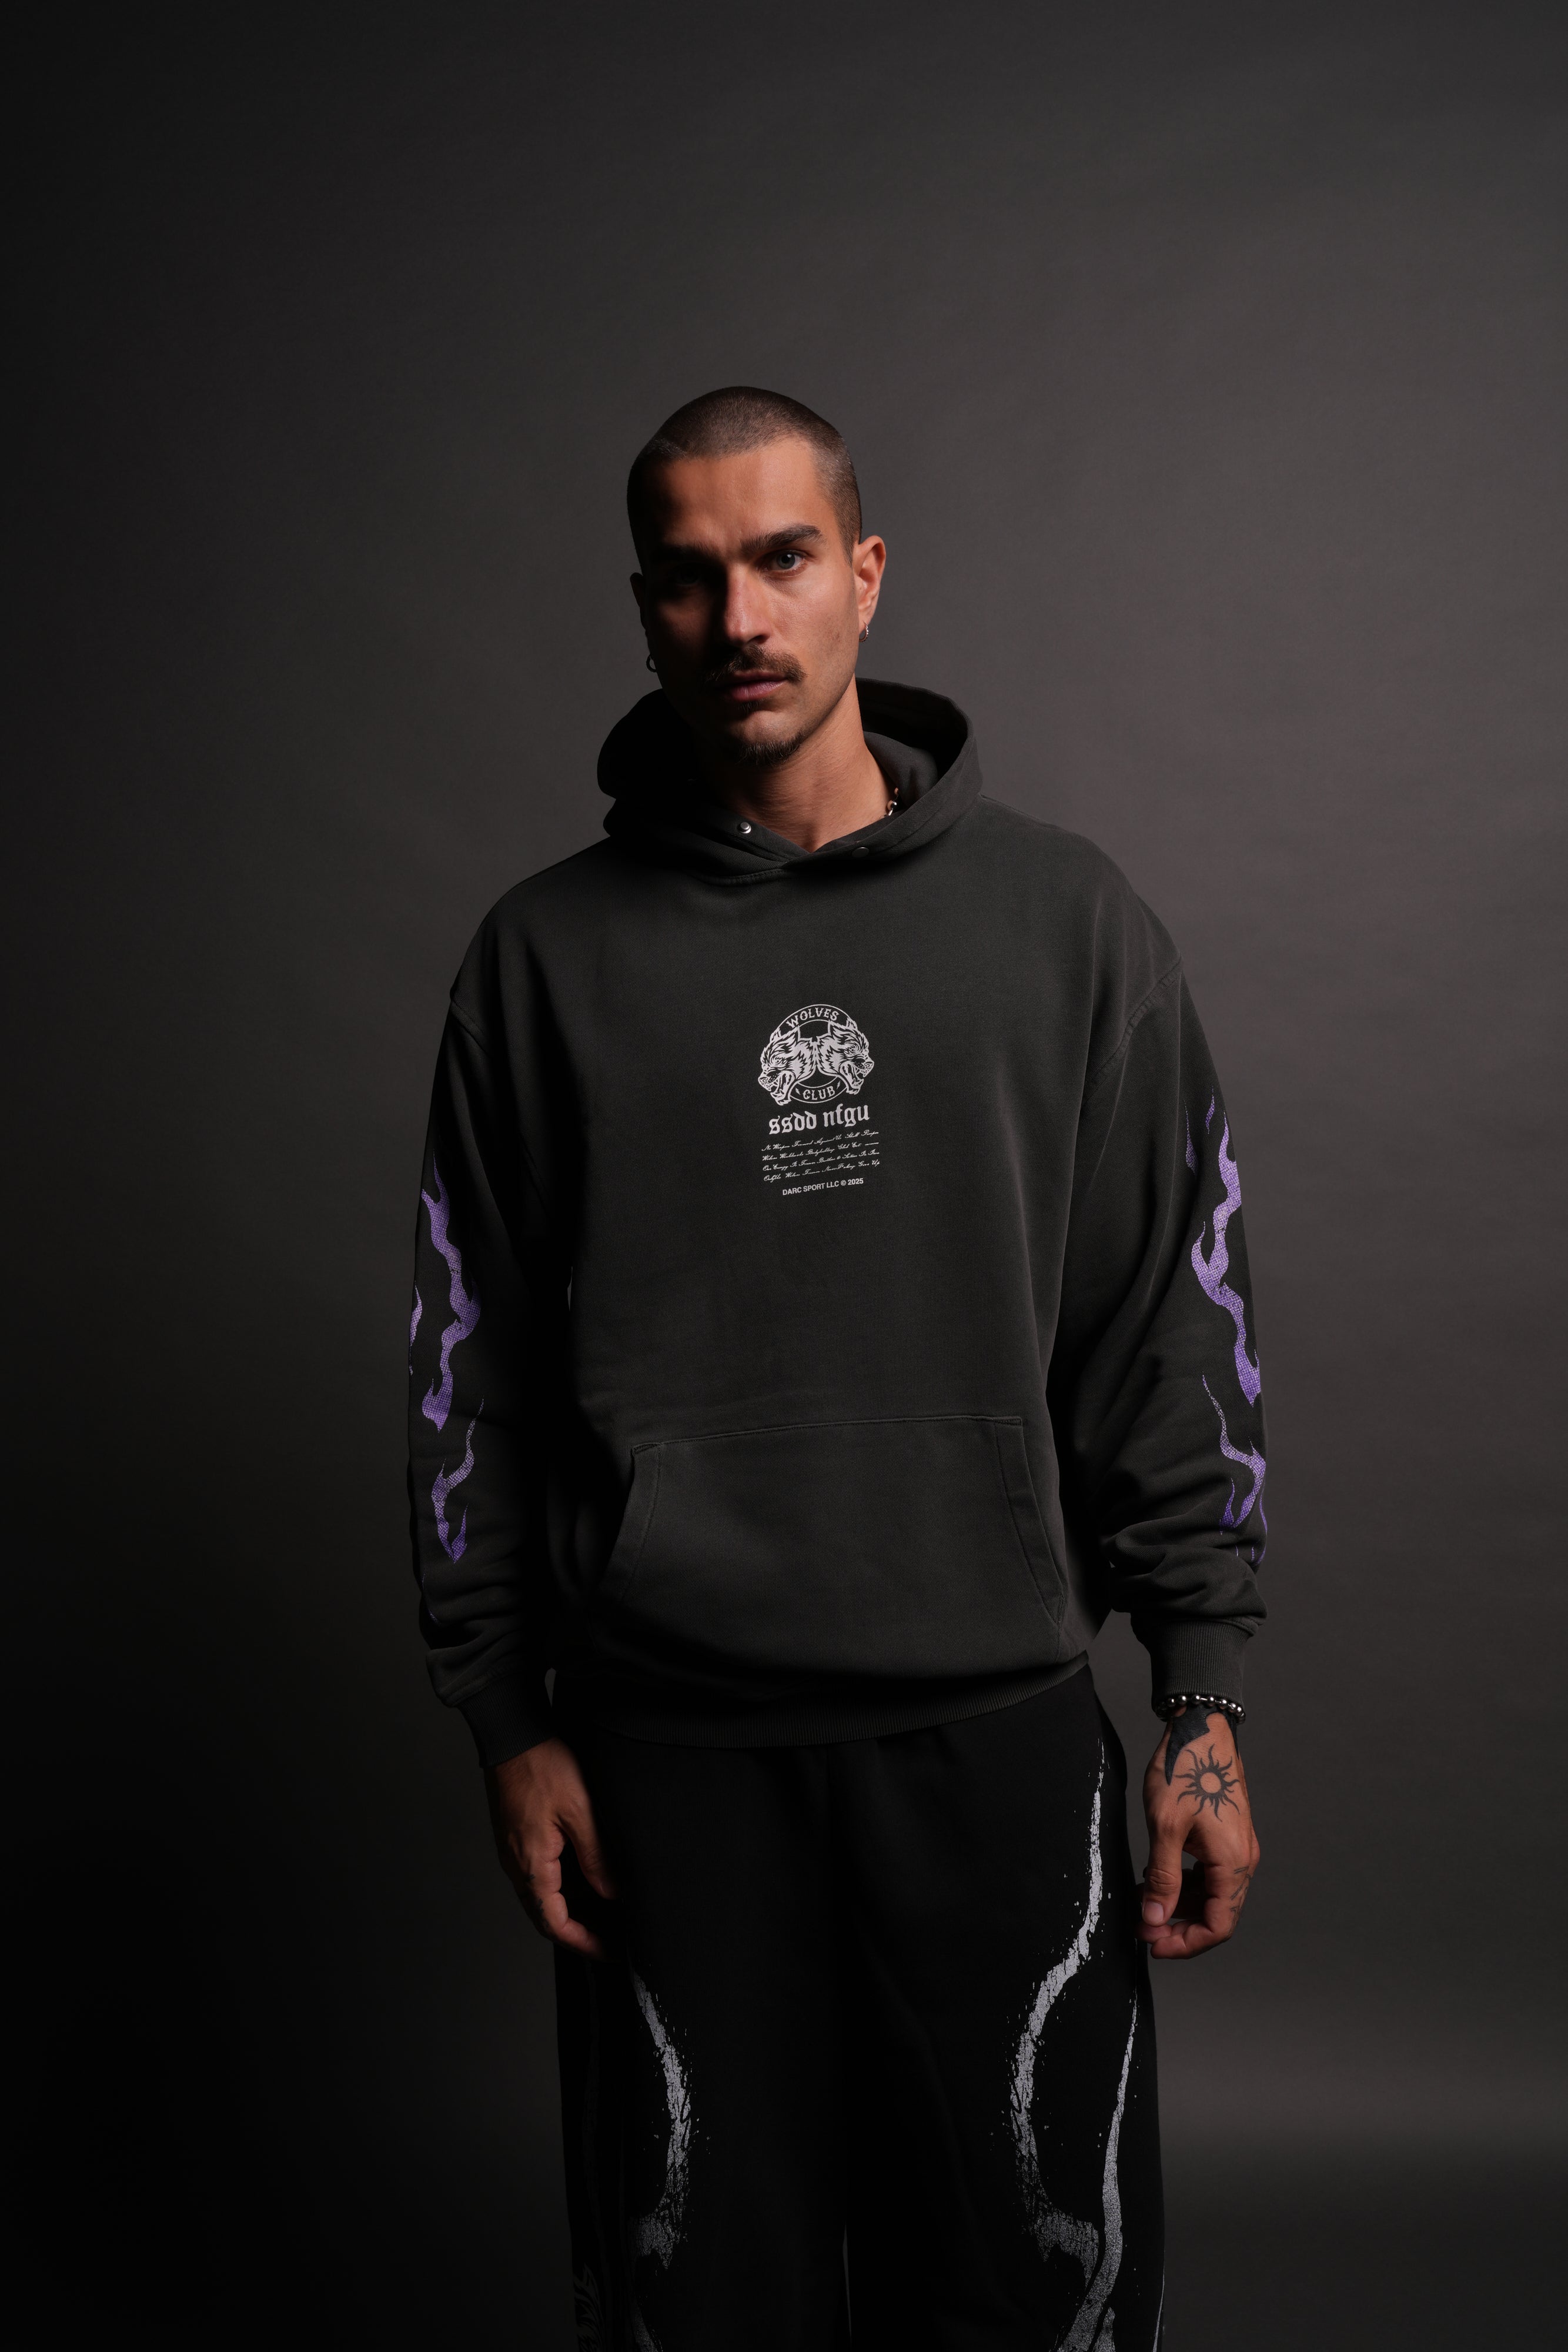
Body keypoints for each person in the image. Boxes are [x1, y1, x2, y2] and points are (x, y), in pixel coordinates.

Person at [407, 387, 1266, 2351]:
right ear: (644, 608)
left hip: (998, 1748)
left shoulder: (1069, 928)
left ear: (864, 575)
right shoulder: (542, 962)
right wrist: (505, 1718)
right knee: (693, 2307)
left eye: (783, 558)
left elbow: (1171, 1322)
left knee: (1040, 2295)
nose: (741, 617)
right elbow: (471, 1367)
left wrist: (1201, 1696)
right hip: (667, 1767)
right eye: (688, 577)